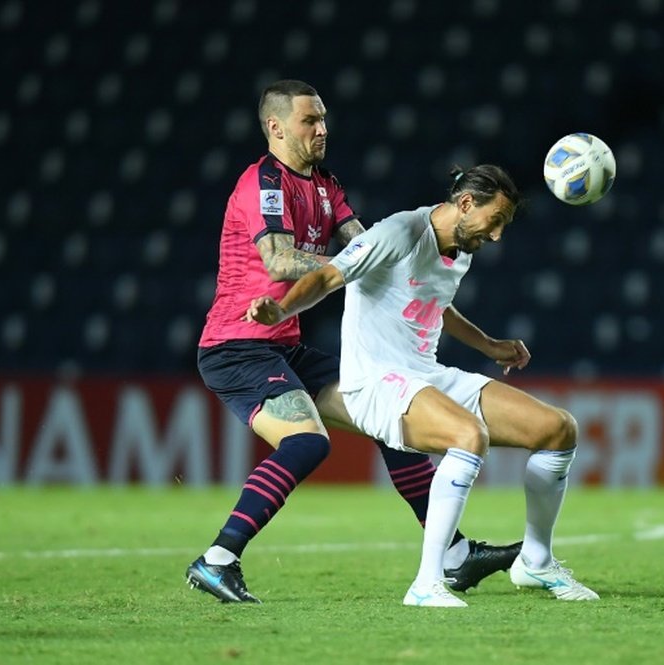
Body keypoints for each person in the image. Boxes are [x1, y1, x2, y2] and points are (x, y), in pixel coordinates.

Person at [186, 80, 519, 604]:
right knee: (307, 441)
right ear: (275, 127)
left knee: (388, 414)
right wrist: (356, 266)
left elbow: (373, 248)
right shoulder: (264, 184)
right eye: (308, 121)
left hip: (285, 346)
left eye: (323, 119)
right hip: (238, 345)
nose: (321, 130)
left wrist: (393, 265)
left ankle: (453, 556)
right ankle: (216, 560)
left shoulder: (325, 184)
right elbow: (281, 260)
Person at [245, 164, 599, 607]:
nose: (497, 237)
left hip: (425, 374)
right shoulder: (399, 231)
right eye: (495, 222)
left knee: (558, 429)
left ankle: (536, 562)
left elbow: (438, 306)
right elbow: (329, 276)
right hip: (375, 382)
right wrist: (279, 312)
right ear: (467, 204)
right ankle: (427, 583)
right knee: (468, 435)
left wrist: (490, 346)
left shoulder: (460, 248)